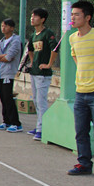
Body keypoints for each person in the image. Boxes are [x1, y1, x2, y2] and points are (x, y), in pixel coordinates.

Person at [64, 1, 94, 177]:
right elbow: (75, 55)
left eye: (77, 14)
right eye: (72, 14)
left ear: (87, 17)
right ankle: (84, 164)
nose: (73, 17)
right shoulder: (73, 38)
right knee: (81, 131)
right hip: (80, 92)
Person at [26, 8, 58, 140]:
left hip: (43, 74)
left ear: (42, 19)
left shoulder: (47, 33)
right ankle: (40, 124)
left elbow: (55, 48)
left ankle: (42, 128)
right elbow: (30, 49)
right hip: (35, 72)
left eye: (35, 16)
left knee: (41, 100)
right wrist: (33, 62)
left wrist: (49, 64)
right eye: (31, 16)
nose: (32, 18)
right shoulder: (33, 35)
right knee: (36, 100)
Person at [0, 18, 23, 132]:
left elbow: (9, 57)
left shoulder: (15, 41)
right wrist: (1, 57)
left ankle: (16, 123)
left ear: (12, 28)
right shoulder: (1, 41)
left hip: (8, 73)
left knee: (8, 97)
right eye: (2, 25)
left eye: (6, 26)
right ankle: (6, 121)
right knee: (3, 98)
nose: (3, 28)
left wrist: (1, 57)